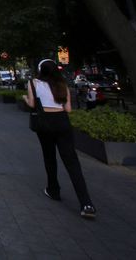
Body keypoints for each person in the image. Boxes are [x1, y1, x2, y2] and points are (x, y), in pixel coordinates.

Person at [24, 58, 96, 219]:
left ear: (40, 69)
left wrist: (24, 99)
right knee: (72, 162)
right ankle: (86, 203)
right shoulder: (62, 84)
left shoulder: (33, 83)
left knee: (49, 157)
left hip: (44, 124)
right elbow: (68, 109)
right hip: (63, 123)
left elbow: (31, 104)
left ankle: (53, 189)